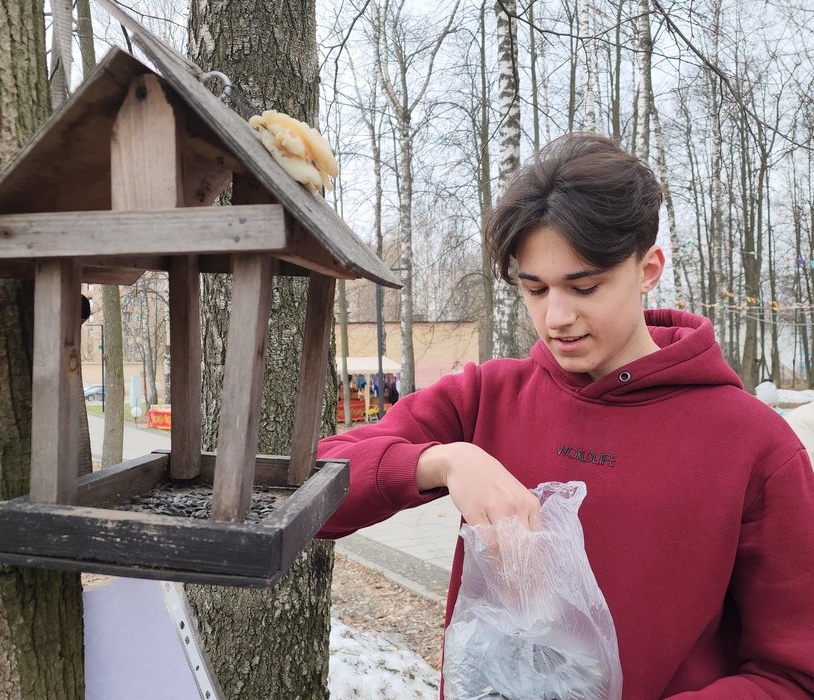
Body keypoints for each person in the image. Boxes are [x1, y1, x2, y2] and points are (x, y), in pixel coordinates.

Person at [316, 133, 814, 698]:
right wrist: (440, 460)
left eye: (585, 287)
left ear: (648, 268)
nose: (556, 318)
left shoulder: (755, 444)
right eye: (535, 289)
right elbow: (315, 488)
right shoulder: (485, 397)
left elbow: (792, 673)